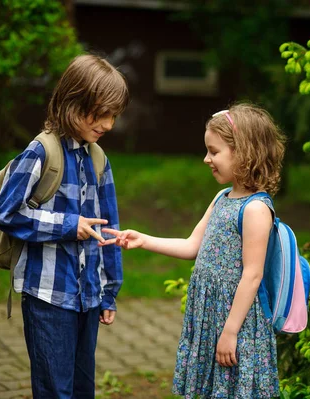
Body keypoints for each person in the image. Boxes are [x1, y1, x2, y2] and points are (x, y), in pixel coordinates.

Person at [101, 103, 285, 398]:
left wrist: (230, 332)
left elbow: (252, 275)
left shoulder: (255, 210)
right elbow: (193, 246)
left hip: (235, 319)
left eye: (214, 152)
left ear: (245, 152)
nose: (206, 159)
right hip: (212, 314)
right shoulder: (223, 197)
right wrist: (143, 239)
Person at [0, 54, 129, 398]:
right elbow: (6, 213)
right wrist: (69, 225)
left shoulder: (98, 158)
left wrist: (109, 290)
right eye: (102, 113)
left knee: (83, 388)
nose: (109, 124)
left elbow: (110, 227)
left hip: (88, 296)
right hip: (47, 298)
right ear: (74, 103)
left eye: (114, 115)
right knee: (56, 391)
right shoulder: (41, 152)